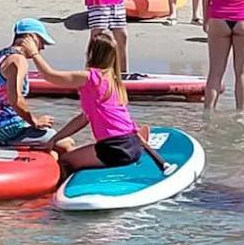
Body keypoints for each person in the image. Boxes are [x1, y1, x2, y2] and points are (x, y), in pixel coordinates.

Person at [24, 32, 152, 175]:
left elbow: (50, 76)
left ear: (91, 53)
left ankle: (57, 192)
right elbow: (83, 119)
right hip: (132, 143)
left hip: (114, 148)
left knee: (65, 161)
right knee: (74, 154)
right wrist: (55, 139)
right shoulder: (114, 80)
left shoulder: (90, 77)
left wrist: (34, 53)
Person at [0, 19, 59, 148]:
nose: (42, 47)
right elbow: (15, 99)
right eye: (41, 41)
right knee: (65, 142)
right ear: (31, 37)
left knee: (53, 150)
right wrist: (35, 121)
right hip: (5, 132)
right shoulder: (18, 60)